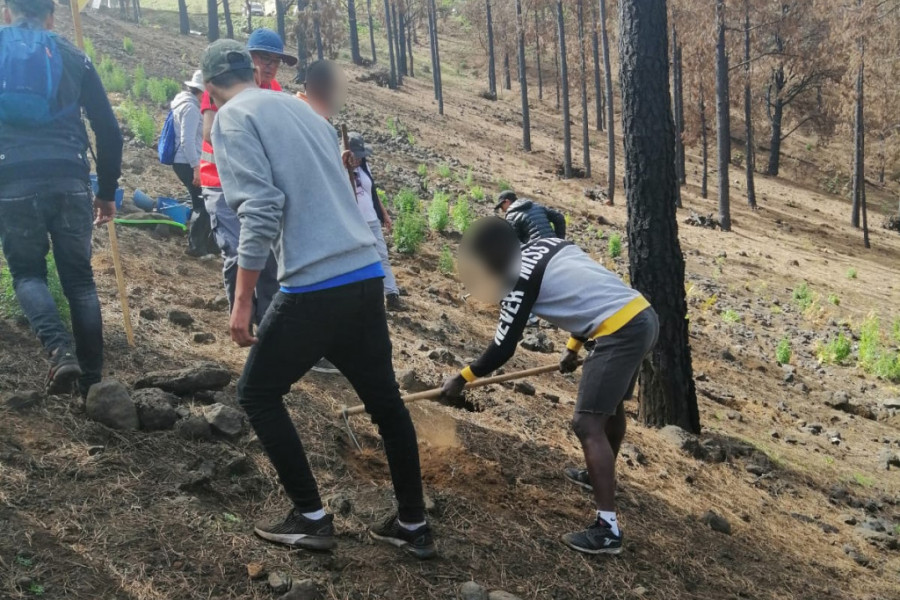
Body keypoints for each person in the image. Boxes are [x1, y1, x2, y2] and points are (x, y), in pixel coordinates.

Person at [203, 40, 435, 559]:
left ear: (212, 87)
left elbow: (260, 209)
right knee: (386, 402)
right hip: (363, 272)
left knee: (257, 393)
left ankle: (309, 517)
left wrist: (242, 302)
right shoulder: (302, 110)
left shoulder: (232, 118)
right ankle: (413, 524)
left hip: (314, 284)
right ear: (249, 70)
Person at [441, 218, 658, 555]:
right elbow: (588, 291)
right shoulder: (548, 244)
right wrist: (572, 348)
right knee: (608, 408)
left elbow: (502, 348)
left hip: (619, 331)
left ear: (496, 255)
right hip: (640, 315)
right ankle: (598, 474)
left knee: (586, 422)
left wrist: (462, 377)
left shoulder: (519, 279)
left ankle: (607, 530)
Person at [0, 0, 122, 397]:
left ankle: (59, 350)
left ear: (6, 13)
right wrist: (106, 192)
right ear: (52, 17)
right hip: (70, 178)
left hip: (12, 180)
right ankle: (92, 382)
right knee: (81, 281)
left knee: (27, 273)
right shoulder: (74, 57)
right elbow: (109, 130)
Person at [200, 28, 293, 325]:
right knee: (239, 254)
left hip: (260, 185)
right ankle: (242, 317)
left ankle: (266, 325)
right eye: (264, 59)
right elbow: (210, 133)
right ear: (248, 59)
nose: (270, 66)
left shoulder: (275, 90)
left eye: (275, 61)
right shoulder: (220, 85)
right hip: (221, 183)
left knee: (269, 257)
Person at [347, 132, 404, 311]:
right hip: (353, 222)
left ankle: (392, 295)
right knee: (356, 260)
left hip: (371, 219)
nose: (358, 160)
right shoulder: (338, 170)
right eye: (355, 156)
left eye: (360, 156)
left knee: (382, 257)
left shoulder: (365, 168)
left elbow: (372, 193)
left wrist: (384, 215)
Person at [171, 70, 216, 257]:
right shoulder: (190, 108)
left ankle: (207, 245)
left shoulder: (186, 103)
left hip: (188, 162)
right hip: (187, 162)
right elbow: (186, 141)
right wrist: (196, 168)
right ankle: (196, 247)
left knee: (204, 202)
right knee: (203, 204)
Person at [494, 190, 567, 244]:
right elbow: (559, 217)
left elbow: (515, 243)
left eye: (501, 206)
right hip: (554, 244)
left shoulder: (511, 215)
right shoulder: (535, 205)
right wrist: (559, 239)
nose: (502, 210)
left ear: (507, 201)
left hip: (538, 249)